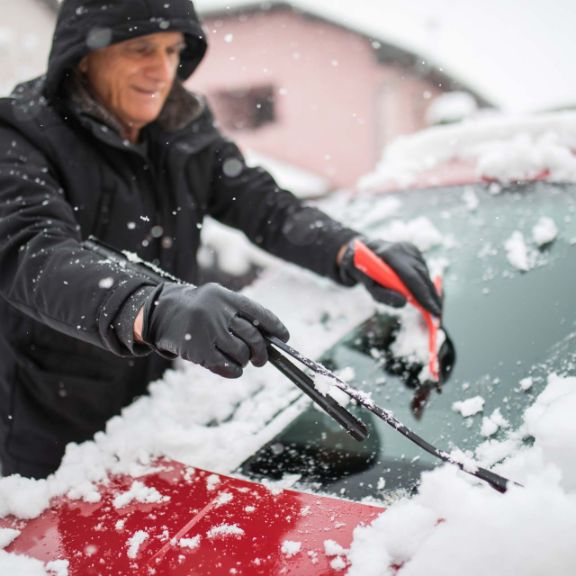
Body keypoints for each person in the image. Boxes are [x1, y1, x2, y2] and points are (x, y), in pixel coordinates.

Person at [0, 0, 441, 479]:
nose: (161, 70)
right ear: (83, 55)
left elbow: (260, 203)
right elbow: (30, 251)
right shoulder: (20, 134)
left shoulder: (182, 127)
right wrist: (154, 308)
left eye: (172, 51)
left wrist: (348, 249)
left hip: (162, 412)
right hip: (48, 423)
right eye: (141, 49)